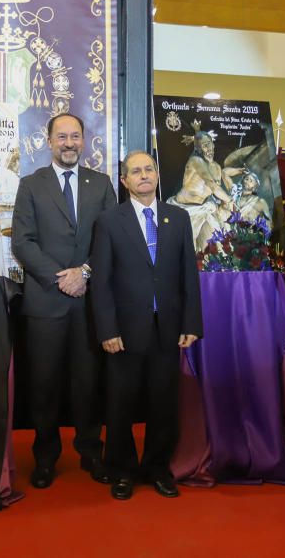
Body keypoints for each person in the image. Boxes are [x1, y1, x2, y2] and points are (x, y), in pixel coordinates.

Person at [11, 113, 117, 488]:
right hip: (46, 302)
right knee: (44, 385)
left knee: (89, 384)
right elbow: (22, 241)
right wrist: (62, 277)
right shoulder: (31, 184)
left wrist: (84, 272)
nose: (69, 143)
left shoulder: (102, 185)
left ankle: (91, 452)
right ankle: (44, 458)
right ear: (49, 140)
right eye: (62, 137)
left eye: (75, 136)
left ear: (84, 141)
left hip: (90, 303)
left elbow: (111, 239)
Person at [90, 150, 202, 500]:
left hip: (167, 328)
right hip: (124, 331)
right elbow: (102, 281)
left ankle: (157, 467)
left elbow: (188, 275)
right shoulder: (109, 221)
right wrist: (107, 329)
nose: (143, 176)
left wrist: (191, 322)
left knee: (163, 403)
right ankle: (122, 470)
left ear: (157, 175)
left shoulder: (179, 218)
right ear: (124, 181)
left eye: (149, 169)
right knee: (121, 403)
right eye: (135, 172)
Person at [167, 126, 234, 248]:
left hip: (203, 209)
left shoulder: (217, 167)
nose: (208, 148)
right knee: (185, 250)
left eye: (209, 144)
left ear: (213, 145)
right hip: (184, 210)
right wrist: (229, 200)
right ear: (198, 149)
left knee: (213, 246)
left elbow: (216, 192)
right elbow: (213, 186)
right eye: (204, 146)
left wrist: (226, 204)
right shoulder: (195, 161)